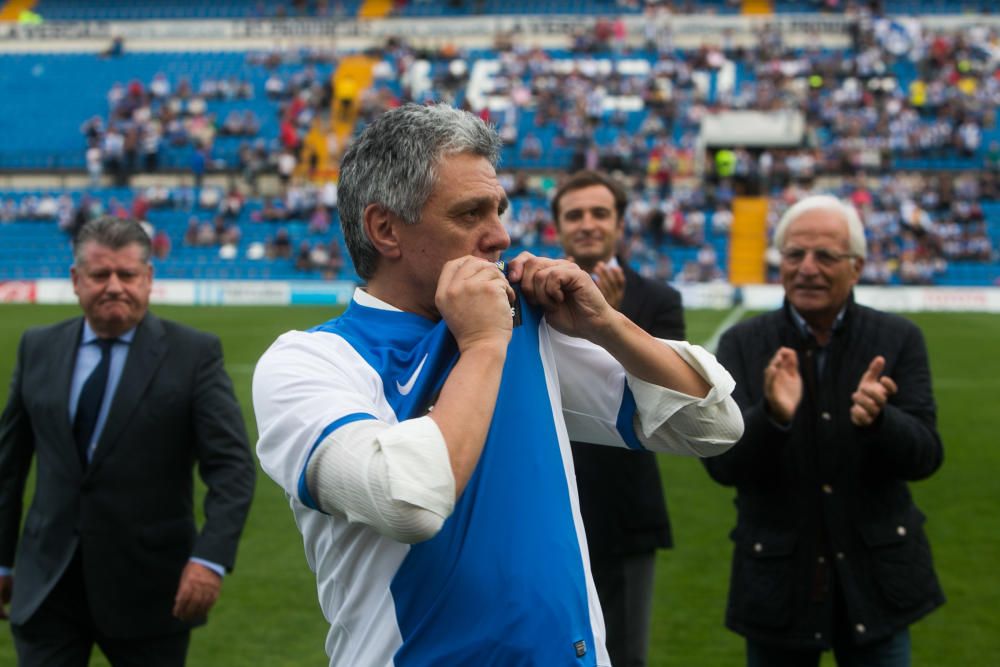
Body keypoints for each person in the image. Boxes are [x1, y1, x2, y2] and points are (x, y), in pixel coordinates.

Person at [252, 103, 744, 667]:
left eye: (501, 210)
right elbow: (409, 500)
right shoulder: (309, 363)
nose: (500, 235)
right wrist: (485, 345)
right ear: (385, 229)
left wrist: (607, 325)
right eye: (470, 215)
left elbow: (712, 425)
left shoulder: (523, 324)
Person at [0, 217, 256, 666]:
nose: (114, 286)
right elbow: (8, 467)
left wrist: (210, 560)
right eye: (100, 275)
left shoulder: (194, 354)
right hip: (47, 585)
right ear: (76, 281)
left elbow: (231, 468)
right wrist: (2, 561)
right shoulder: (37, 346)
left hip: (151, 590)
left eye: (128, 275)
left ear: (149, 279)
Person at [704, 194, 945, 666]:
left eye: (825, 256)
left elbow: (927, 455)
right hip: (778, 583)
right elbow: (721, 465)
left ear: (856, 268)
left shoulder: (899, 339)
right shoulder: (743, 343)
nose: (807, 268)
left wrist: (881, 421)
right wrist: (771, 416)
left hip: (877, 580)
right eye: (794, 254)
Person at [552, 169, 684, 667]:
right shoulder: (528, 294)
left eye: (600, 213)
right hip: (547, 503)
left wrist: (613, 323)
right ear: (558, 227)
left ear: (620, 224)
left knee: (624, 653)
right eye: (575, 215)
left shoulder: (658, 300)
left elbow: (671, 403)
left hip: (623, 510)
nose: (587, 224)